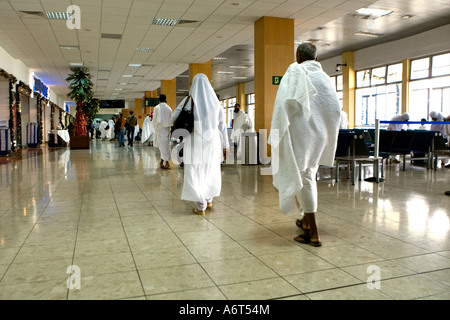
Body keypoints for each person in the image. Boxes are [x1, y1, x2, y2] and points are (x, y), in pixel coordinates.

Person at [268, 43, 341, 247]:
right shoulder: (325, 78)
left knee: (305, 179)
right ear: (316, 58)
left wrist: (279, 133)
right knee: (307, 176)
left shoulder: (295, 70)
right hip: (319, 137)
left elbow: (283, 106)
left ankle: (314, 233)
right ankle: (306, 222)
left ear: (298, 56)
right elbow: (335, 109)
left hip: (300, 136)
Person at [172, 73, 229, 214]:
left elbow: (174, 118)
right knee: (210, 169)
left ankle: (200, 204)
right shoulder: (215, 102)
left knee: (195, 171)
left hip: (195, 140)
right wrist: (225, 145)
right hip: (213, 141)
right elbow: (222, 126)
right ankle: (209, 199)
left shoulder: (188, 101)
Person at [153, 94, 173, 169]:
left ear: (159, 100)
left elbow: (154, 120)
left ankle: (166, 163)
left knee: (162, 147)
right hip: (167, 129)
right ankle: (162, 162)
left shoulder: (156, 108)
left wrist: (155, 127)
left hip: (159, 129)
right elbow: (171, 120)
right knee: (165, 147)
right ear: (165, 99)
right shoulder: (169, 109)